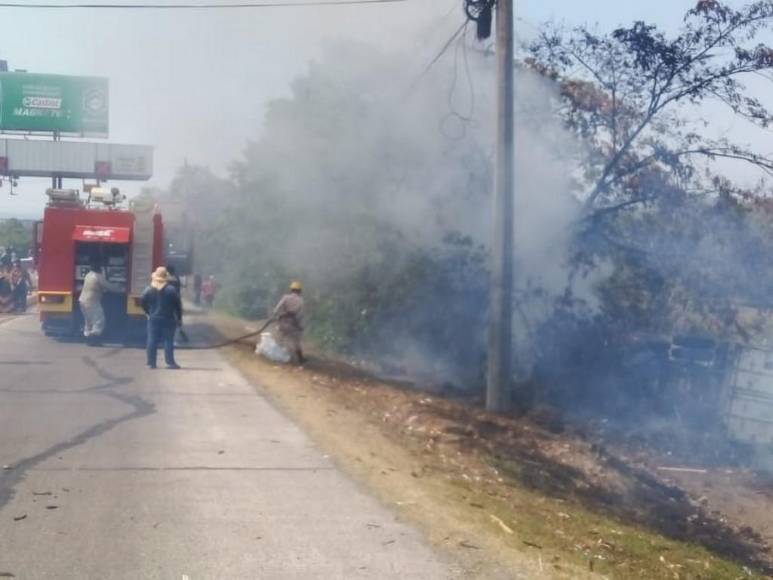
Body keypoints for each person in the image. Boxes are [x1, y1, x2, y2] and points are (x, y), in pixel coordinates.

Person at [141, 266, 182, 369]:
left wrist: (148, 312)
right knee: (168, 340)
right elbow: (178, 306)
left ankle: (151, 363)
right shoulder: (171, 290)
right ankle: (170, 363)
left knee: (152, 340)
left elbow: (142, 302)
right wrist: (179, 318)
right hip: (168, 319)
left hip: (153, 319)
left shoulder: (149, 289)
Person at [79, 260, 120, 342]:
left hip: (82, 300)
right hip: (92, 301)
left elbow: (95, 287)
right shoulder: (98, 276)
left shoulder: (88, 275)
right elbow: (109, 287)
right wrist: (119, 287)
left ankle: (87, 337)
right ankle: (94, 339)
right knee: (98, 320)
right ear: (99, 269)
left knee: (88, 320)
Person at [272, 280, 305, 364]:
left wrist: (278, 316)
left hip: (283, 323)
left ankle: (276, 357)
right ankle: (301, 359)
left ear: (291, 289)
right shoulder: (301, 300)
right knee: (296, 342)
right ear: (299, 291)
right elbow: (300, 315)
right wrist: (299, 326)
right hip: (293, 325)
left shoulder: (285, 297)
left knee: (279, 340)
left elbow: (276, 310)